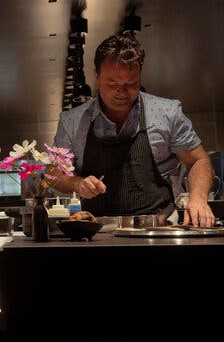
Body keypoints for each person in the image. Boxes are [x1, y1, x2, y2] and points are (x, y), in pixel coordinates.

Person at [52, 33, 215, 227]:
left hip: (158, 228)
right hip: (95, 232)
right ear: (96, 76)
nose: (122, 91)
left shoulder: (167, 113)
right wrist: (78, 184)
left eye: (131, 83)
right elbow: (54, 173)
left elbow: (198, 160)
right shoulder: (72, 121)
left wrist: (198, 197)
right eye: (112, 83)